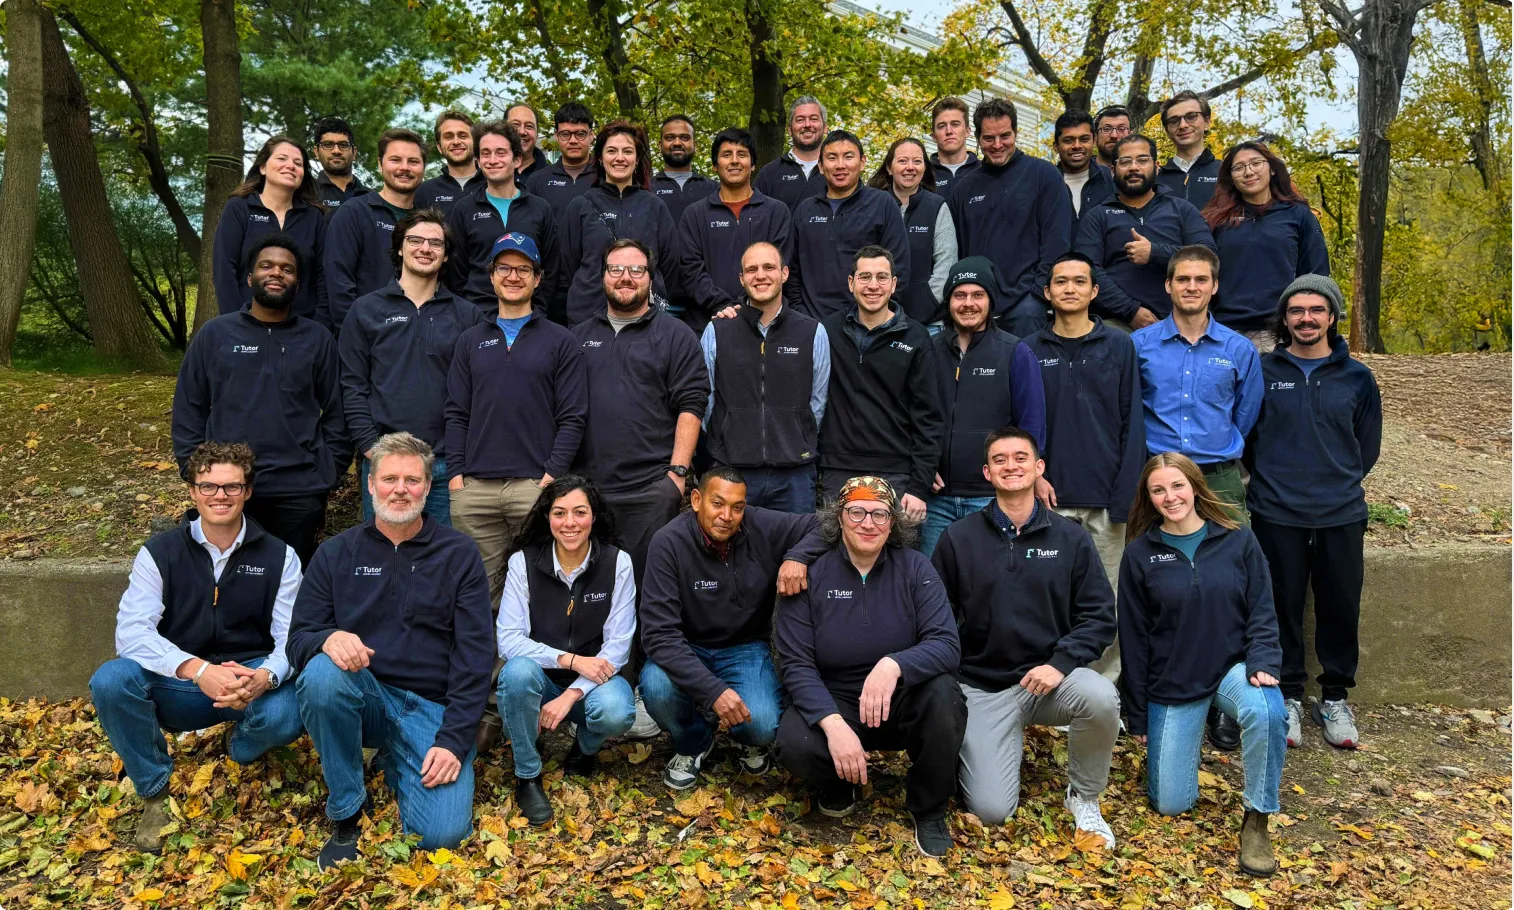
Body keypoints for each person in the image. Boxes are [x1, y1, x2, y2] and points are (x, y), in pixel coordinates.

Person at [289, 432, 494, 867]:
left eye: (412, 480)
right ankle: (347, 810)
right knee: (323, 675)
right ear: (370, 484)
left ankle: (397, 757)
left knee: (441, 836)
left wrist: (454, 740)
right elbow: (299, 640)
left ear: (428, 486)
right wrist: (328, 637)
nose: (400, 489)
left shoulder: (459, 554)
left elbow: (476, 655)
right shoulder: (334, 553)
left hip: (430, 708)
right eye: (390, 479)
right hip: (367, 698)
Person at [90, 442, 303, 855]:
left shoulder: (281, 556)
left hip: (248, 683)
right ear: (192, 491)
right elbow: (131, 633)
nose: (219, 496)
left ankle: (239, 747)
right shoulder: (159, 552)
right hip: (181, 683)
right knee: (112, 680)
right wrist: (198, 671)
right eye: (208, 486)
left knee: (287, 711)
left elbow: (292, 637)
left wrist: (265, 676)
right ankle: (154, 794)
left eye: (231, 487)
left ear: (248, 491)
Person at [930, 428, 1118, 846]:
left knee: (1102, 697)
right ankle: (988, 750)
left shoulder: (1070, 538)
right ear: (987, 472)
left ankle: (1084, 797)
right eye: (1000, 459)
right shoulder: (958, 539)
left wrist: (1059, 663)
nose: (1010, 466)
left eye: (1020, 457)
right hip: (984, 686)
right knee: (991, 811)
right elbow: (936, 619)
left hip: (1051, 680)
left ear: (1039, 467)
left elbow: (1100, 617)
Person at [774, 477, 966, 858]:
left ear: (893, 523)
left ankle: (928, 807)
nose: (868, 523)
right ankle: (837, 782)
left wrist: (895, 664)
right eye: (856, 512)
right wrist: (832, 724)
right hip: (837, 698)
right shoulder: (810, 575)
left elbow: (946, 644)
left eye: (880, 514)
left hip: (900, 698)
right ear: (839, 518)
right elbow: (795, 662)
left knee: (946, 697)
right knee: (795, 742)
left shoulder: (916, 568)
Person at [1118, 452, 1288, 878]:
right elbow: (1135, 639)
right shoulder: (1140, 555)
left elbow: (1263, 609)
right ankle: (1182, 743)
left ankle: (1257, 817)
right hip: (1174, 679)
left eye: (1177, 485)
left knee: (1268, 709)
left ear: (1195, 486)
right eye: (1158, 490)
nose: (1170, 496)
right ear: (1148, 497)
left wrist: (1263, 659)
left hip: (1231, 668)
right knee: (1170, 804)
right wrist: (1136, 713)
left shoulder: (1238, 539)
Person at [574, 239, 710, 737]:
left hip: (652, 489)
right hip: (590, 493)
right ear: (602, 276)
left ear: (650, 277)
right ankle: (601, 691)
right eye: (616, 269)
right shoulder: (578, 336)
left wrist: (676, 475)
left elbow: (692, 403)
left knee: (652, 592)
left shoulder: (674, 335)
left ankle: (649, 692)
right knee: (596, 592)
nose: (626, 277)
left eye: (636, 270)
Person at [1133, 245, 1262, 753]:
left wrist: (1215, 458)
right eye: (1181, 278)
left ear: (1214, 286)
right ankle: (1158, 691)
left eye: (1200, 279)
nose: (1190, 286)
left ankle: (1227, 699)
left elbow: (1246, 415)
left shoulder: (1238, 350)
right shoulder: (1141, 345)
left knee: (1231, 582)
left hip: (1219, 478)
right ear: (1167, 286)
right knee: (1158, 583)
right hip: (1158, 477)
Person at [1245, 275, 1381, 750]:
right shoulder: (1263, 370)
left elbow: (1366, 446)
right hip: (1275, 510)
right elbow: (1248, 438)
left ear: (1332, 316)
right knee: (1280, 605)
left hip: (1340, 510)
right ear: (1284, 318)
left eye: (1316, 310)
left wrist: (1334, 480)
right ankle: (1287, 696)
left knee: (1340, 604)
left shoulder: (1357, 377)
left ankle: (1336, 698)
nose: (1306, 318)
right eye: (1297, 310)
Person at [640, 466, 827, 789]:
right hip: (687, 645)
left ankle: (744, 739)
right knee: (656, 687)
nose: (727, 515)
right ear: (696, 500)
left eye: (737, 507)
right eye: (718, 504)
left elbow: (825, 523)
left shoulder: (760, 525)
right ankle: (695, 741)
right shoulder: (668, 542)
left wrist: (797, 556)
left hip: (745, 646)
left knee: (764, 725)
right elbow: (659, 636)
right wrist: (714, 692)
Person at [173, 234, 348, 567]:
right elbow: (189, 406)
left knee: (292, 587)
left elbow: (337, 410)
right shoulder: (216, 335)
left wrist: (330, 470)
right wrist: (195, 470)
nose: (277, 273)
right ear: (250, 277)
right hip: (228, 487)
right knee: (232, 582)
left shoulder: (317, 338)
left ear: (298, 282)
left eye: (287, 269)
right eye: (267, 266)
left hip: (299, 489)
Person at [445, 232, 587, 606]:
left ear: (537, 278)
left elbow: (573, 416)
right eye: (504, 267)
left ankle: (534, 666)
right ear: (491, 275)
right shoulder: (470, 341)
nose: (513, 276)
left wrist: (552, 476)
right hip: (476, 489)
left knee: (542, 587)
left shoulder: (560, 340)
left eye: (523, 268)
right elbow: (457, 412)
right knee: (481, 594)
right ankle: (489, 667)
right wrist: (457, 476)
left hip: (534, 487)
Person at [496, 476, 637, 825]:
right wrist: (568, 659)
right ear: (547, 517)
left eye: (579, 512)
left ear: (594, 516)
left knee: (617, 709)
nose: (570, 523)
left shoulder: (618, 563)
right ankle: (527, 774)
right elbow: (509, 640)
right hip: (539, 679)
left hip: (595, 681)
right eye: (560, 513)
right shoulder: (523, 563)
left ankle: (585, 749)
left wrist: (572, 693)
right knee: (515, 673)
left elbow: (618, 647)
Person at [339, 210, 484, 525]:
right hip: (386, 462)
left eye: (436, 243)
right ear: (400, 248)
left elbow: (480, 390)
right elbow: (353, 385)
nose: (425, 248)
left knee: (444, 562)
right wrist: (369, 447)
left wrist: (463, 458)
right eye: (415, 240)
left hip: (448, 465)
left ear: (445, 256)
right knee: (384, 557)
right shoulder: (365, 310)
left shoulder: (468, 315)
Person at [1028, 253, 1145, 626]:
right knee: (1048, 597)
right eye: (1061, 281)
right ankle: (1050, 680)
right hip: (1048, 498)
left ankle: (1104, 683)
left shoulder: (1120, 345)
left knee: (1105, 599)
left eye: (1080, 281)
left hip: (1106, 500)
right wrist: (1033, 479)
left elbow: (1133, 423)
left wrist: (1124, 496)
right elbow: (1019, 426)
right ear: (1047, 292)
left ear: (1094, 291)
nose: (1070, 288)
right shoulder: (1027, 349)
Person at [924, 257, 1046, 556]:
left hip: (991, 498)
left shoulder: (1015, 352)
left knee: (990, 587)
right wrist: (921, 469)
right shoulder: (927, 350)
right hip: (934, 500)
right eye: (959, 295)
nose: (969, 304)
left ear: (991, 301)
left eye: (978, 295)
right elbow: (909, 416)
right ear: (948, 300)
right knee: (933, 589)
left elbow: (1031, 425)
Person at [701, 241, 829, 512]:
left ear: (784, 274)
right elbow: (706, 400)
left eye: (769, 267)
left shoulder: (812, 332)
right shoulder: (718, 331)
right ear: (742, 279)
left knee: (796, 550)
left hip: (795, 474)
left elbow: (818, 402)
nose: (760, 275)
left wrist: (795, 435)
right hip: (731, 472)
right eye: (752, 269)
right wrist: (726, 437)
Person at [818, 246, 941, 521]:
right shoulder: (826, 331)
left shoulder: (917, 338)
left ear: (894, 284)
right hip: (838, 470)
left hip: (897, 475)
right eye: (865, 277)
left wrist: (919, 486)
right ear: (851, 283)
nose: (873, 286)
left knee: (897, 560)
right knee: (833, 558)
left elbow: (929, 418)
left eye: (882, 277)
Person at [948, 98, 1071, 337]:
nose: (997, 145)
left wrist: (1036, 295)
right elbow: (957, 252)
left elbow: (1057, 242)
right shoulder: (964, 188)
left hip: (1027, 308)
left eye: (1005, 136)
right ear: (977, 138)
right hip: (976, 308)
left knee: (1025, 374)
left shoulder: (1044, 175)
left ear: (1015, 132)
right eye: (988, 138)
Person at [1075, 134, 1217, 331]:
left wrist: (1155, 253)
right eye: (1125, 162)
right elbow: (1088, 271)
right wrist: (1131, 311)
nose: (1134, 167)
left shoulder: (1182, 209)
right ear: (1113, 170)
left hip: (1181, 318)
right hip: (1117, 321)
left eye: (1142, 160)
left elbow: (1208, 257)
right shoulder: (1098, 216)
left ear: (1156, 166)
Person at [1204, 142, 1330, 351]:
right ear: (1231, 177)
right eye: (1239, 168)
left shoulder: (1298, 215)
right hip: (1226, 331)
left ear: (1271, 168)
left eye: (1256, 163)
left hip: (1282, 333)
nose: (1249, 172)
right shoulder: (1216, 220)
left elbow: (1316, 275)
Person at [559, 120, 679, 326]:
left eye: (628, 151)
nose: (620, 158)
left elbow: (669, 264)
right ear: (600, 157)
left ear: (637, 158)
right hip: (588, 316)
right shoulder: (581, 206)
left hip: (645, 316)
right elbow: (569, 265)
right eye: (612, 151)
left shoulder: (655, 206)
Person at [788, 130, 910, 322]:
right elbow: (792, 271)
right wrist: (800, 314)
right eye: (832, 157)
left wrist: (876, 319)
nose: (840, 165)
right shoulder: (805, 210)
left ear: (862, 162)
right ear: (820, 165)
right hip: (811, 324)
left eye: (848, 156)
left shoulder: (882, 204)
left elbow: (898, 267)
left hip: (866, 326)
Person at [677, 127, 794, 324]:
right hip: (706, 322)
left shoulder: (777, 213)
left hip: (764, 323)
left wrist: (747, 307)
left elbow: (778, 266)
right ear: (715, 165)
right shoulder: (694, 215)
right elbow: (691, 270)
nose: (734, 161)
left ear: (753, 164)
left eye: (742, 154)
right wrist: (723, 306)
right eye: (726, 155)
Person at [443, 120, 559, 314]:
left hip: (529, 317)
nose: (492, 160)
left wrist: (538, 310)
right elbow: (456, 272)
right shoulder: (464, 209)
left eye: (501, 153)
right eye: (485, 153)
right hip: (477, 316)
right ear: (478, 161)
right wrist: (468, 312)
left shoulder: (540, 208)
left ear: (517, 160)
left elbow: (552, 268)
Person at [214, 135, 328, 323]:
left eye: (298, 163)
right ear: (263, 167)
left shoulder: (314, 217)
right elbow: (224, 268)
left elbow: (323, 276)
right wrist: (234, 323)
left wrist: (320, 325)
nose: (291, 166)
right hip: (247, 323)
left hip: (302, 327)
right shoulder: (239, 208)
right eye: (282, 158)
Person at [324, 128, 427, 333]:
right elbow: (339, 285)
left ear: (424, 168)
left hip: (417, 339)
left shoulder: (427, 222)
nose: (404, 168)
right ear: (380, 164)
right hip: (366, 337)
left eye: (413, 161)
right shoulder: (354, 213)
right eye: (395, 160)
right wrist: (355, 339)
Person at [867, 137, 957, 331]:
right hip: (877, 318)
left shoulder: (937, 206)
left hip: (929, 323)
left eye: (917, 161)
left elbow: (946, 263)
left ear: (925, 168)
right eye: (902, 161)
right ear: (889, 168)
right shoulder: (873, 205)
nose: (910, 167)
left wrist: (927, 303)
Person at [755, 95, 829, 211]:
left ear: (825, 127)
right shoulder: (769, 174)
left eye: (814, 119)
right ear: (789, 129)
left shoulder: (839, 171)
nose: (807, 124)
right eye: (800, 120)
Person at [524, 101, 598, 217]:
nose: (573, 140)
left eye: (580, 134)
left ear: (591, 135)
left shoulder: (605, 176)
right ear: (556, 136)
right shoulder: (537, 181)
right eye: (565, 134)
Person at [1156, 91, 1222, 210]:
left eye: (1191, 116)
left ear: (1207, 122)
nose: (1183, 125)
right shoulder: (1155, 180)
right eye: (1174, 121)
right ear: (1167, 131)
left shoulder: (1226, 172)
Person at [1053, 110, 1115, 229]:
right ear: (1056, 146)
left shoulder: (1110, 180)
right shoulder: (1046, 182)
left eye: (1084, 139)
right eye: (1068, 140)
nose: (1077, 146)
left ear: (1094, 141)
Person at [415, 109, 484, 215]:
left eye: (462, 136)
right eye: (448, 137)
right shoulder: (424, 192)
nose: (456, 142)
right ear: (439, 147)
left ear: (475, 142)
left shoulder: (492, 184)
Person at [652, 115, 717, 223]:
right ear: (660, 145)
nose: (677, 143)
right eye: (669, 138)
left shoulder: (715, 190)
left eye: (685, 138)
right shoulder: (646, 189)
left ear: (695, 145)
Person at [312, 116, 368, 214]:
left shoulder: (373, 198)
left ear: (354, 152)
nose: (336, 151)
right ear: (316, 152)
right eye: (328, 144)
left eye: (343, 145)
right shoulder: (307, 196)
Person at [928, 97, 979, 198]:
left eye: (955, 124)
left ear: (967, 131)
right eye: (942, 126)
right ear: (934, 136)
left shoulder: (984, 172)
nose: (949, 131)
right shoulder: (923, 175)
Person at [508, 103, 549, 184]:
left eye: (529, 126)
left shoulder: (551, 177)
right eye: (515, 125)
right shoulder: (486, 174)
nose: (522, 132)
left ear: (537, 134)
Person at [1091, 106, 1132, 170]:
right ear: (1096, 137)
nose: (1114, 135)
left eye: (1121, 129)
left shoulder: (1143, 175)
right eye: (1107, 129)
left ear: (1130, 136)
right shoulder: (1079, 171)